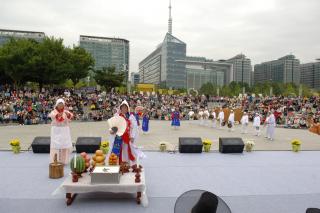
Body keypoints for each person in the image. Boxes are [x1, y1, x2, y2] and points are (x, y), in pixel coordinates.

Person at [109, 100, 139, 165]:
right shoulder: (117, 115)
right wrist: (112, 130)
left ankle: (126, 164)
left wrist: (133, 136)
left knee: (126, 151)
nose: (124, 108)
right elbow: (114, 125)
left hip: (127, 137)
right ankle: (117, 164)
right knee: (117, 150)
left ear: (128, 108)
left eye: (125, 107)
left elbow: (134, 127)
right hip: (118, 137)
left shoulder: (131, 116)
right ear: (120, 108)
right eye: (123, 107)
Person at [49, 98, 73, 165]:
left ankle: (64, 161)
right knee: (55, 146)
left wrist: (68, 115)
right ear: (56, 105)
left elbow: (71, 116)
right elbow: (52, 116)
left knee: (64, 145)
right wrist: (59, 114)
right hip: (56, 130)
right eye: (59, 104)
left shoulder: (66, 111)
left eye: (62, 104)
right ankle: (54, 160)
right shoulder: (53, 112)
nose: (60, 105)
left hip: (64, 130)